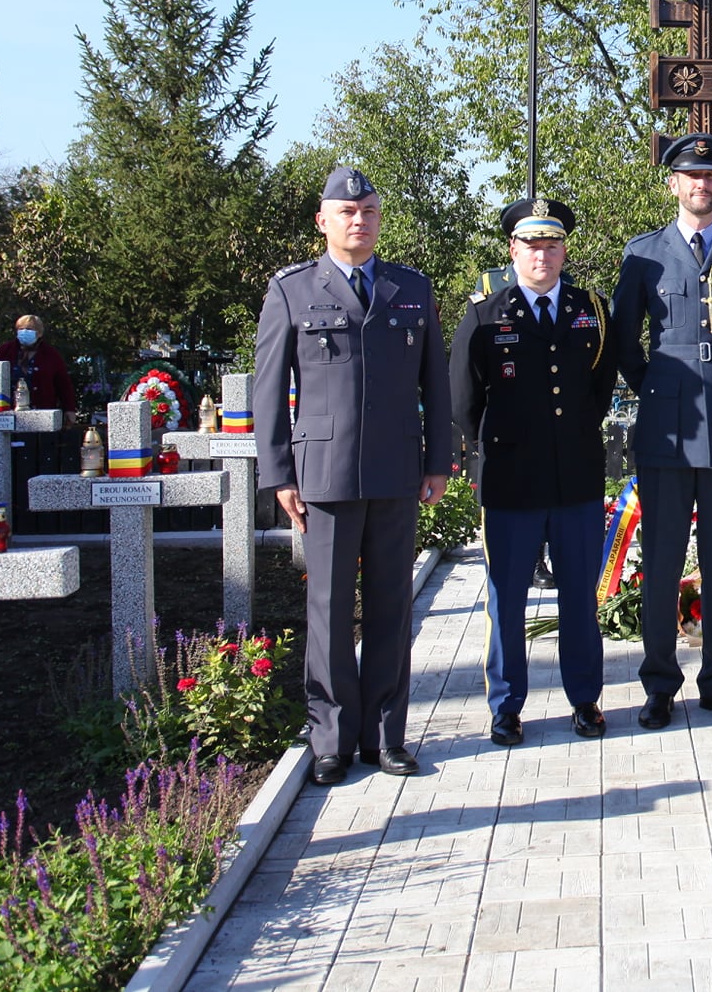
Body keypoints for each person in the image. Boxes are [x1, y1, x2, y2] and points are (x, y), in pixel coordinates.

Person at [253, 166, 451, 784]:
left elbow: (434, 386)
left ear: (378, 218)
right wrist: (279, 473)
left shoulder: (410, 288)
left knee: (393, 607)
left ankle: (386, 737)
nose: (357, 220)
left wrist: (438, 461)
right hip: (325, 476)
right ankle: (331, 739)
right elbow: (267, 393)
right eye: (345, 212)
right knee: (330, 609)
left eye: (367, 210)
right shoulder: (290, 290)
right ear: (323, 221)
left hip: (396, 471)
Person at [611, 134, 712, 729]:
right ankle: (659, 683)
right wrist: (658, 384)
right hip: (665, 429)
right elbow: (623, 339)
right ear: (673, 184)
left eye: (711, 176)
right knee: (659, 560)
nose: (701, 185)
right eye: (691, 176)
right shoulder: (644, 256)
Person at [451, 197, 618, 745]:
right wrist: (496, 450)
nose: (541, 254)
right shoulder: (484, 314)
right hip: (510, 482)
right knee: (507, 598)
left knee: (579, 595)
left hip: (575, 478)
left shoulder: (590, 309)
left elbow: (599, 390)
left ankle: (585, 700)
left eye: (551, 243)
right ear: (512, 249)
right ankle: (506, 706)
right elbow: (465, 401)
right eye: (530, 244)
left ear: (564, 248)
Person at [0, 315, 76, 411]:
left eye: (29, 329)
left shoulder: (50, 354)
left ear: (39, 333)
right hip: (8, 411)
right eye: (21, 329)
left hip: (42, 411)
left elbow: (64, 384)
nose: (25, 332)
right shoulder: (6, 350)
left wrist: (70, 409)